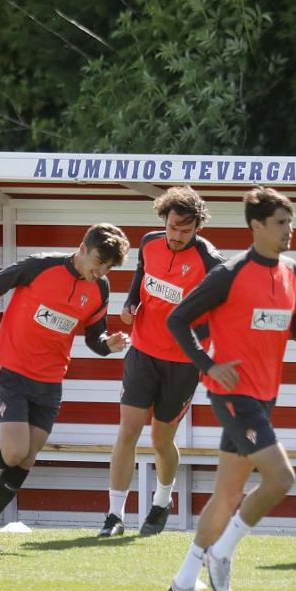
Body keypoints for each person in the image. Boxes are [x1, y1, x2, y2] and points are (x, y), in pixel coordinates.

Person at [163, 186, 296, 591]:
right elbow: (178, 319)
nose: (290, 230)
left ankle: (184, 583)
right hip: (233, 396)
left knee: (227, 497)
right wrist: (207, 365)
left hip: (264, 398)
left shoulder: (292, 271)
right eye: (281, 223)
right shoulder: (229, 273)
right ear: (256, 226)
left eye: (291, 221)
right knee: (282, 477)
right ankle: (222, 553)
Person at [0, 223, 131, 548]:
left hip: (50, 380)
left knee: (27, 457)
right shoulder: (39, 266)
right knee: (14, 452)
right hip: (13, 370)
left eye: (108, 266)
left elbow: (93, 336)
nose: (100, 270)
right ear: (83, 248)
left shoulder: (100, 289)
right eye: (99, 261)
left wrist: (108, 344)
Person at [100, 187, 223, 538]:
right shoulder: (150, 242)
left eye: (186, 230)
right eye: (172, 227)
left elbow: (225, 305)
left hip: (183, 362)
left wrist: (199, 336)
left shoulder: (211, 260)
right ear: (163, 221)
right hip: (142, 352)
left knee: (160, 439)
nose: (177, 236)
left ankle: (162, 500)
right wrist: (129, 305)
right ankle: (114, 516)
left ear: (198, 227)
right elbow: (141, 278)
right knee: (128, 431)